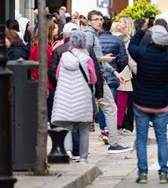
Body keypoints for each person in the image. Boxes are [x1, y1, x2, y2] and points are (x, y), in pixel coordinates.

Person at [128, 24, 168, 184]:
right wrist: (166, 35)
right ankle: (163, 173)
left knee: (141, 139)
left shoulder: (142, 54)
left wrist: (142, 30)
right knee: (162, 138)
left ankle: (143, 174)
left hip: (142, 101)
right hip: (161, 103)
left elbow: (132, 45)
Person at [84, 10, 130, 154]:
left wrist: (114, 72)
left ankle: (77, 149)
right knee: (110, 109)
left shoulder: (93, 35)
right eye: (95, 19)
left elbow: (97, 57)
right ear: (89, 21)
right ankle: (113, 144)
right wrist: (104, 60)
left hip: (97, 77)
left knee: (92, 111)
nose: (99, 22)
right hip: (94, 78)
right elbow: (86, 57)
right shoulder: (89, 35)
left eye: (100, 19)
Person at [52, 32, 97, 163]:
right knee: (83, 128)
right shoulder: (87, 59)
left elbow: (57, 76)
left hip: (65, 96)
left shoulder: (64, 56)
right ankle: (83, 157)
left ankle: (68, 152)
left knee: (67, 126)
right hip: (82, 97)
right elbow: (93, 79)